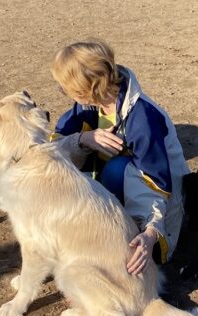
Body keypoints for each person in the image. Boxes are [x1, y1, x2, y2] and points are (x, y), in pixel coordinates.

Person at [50, 39, 190, 276]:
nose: (63, 92)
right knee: (65, 176)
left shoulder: (142, 118)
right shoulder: (87, 106)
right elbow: (53, 151)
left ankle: (122, 238)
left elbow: (155, 183)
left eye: (66, 87)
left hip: (156, 204)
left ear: (87, 88)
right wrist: (82, 140)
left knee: (116, 168)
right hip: (115, 193)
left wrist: (150, 233)